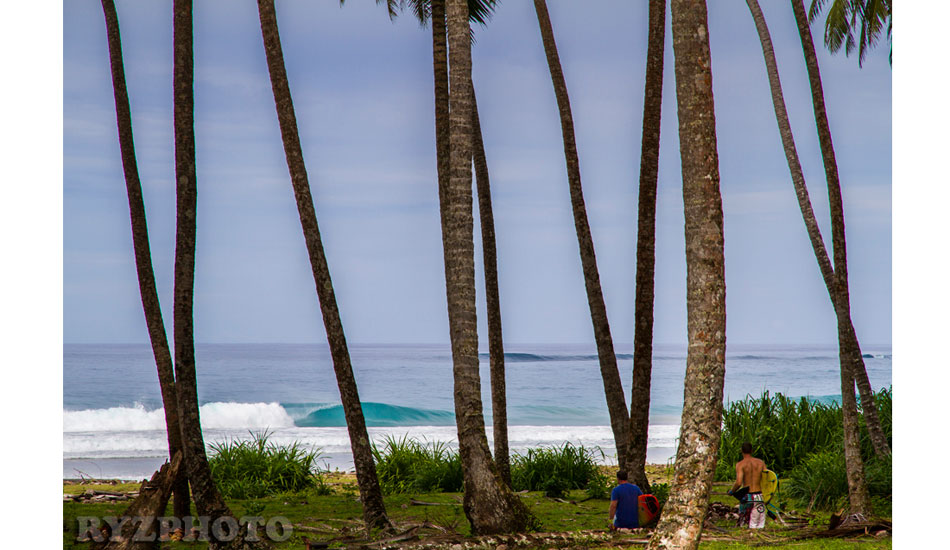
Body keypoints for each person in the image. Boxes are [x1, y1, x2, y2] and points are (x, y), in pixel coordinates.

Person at [728, 442, 767, 529]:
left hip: (748, 497)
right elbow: (767, 479)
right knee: (760, 523)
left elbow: (738, 482)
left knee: (745, 524)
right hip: (759, 496)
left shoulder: (740, 464)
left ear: (741, 451)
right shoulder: (761, 463)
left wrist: (732, 491)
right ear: (752, 450)